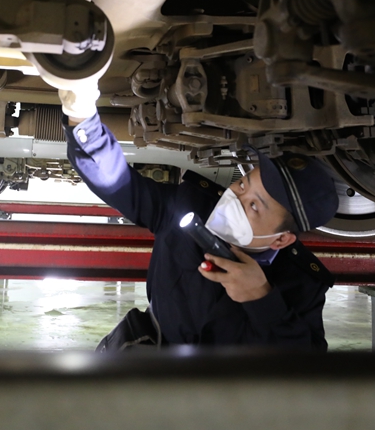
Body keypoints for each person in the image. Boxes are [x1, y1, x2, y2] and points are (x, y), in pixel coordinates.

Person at [56, 80, 339, 351]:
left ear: (281, 239)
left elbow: (304, 372)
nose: (236, 200)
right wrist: (81, 117)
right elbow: (119, 183)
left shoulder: (302, 286)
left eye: (254, 206)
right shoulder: (190, 206)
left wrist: (261, 297)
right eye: (242, 185)